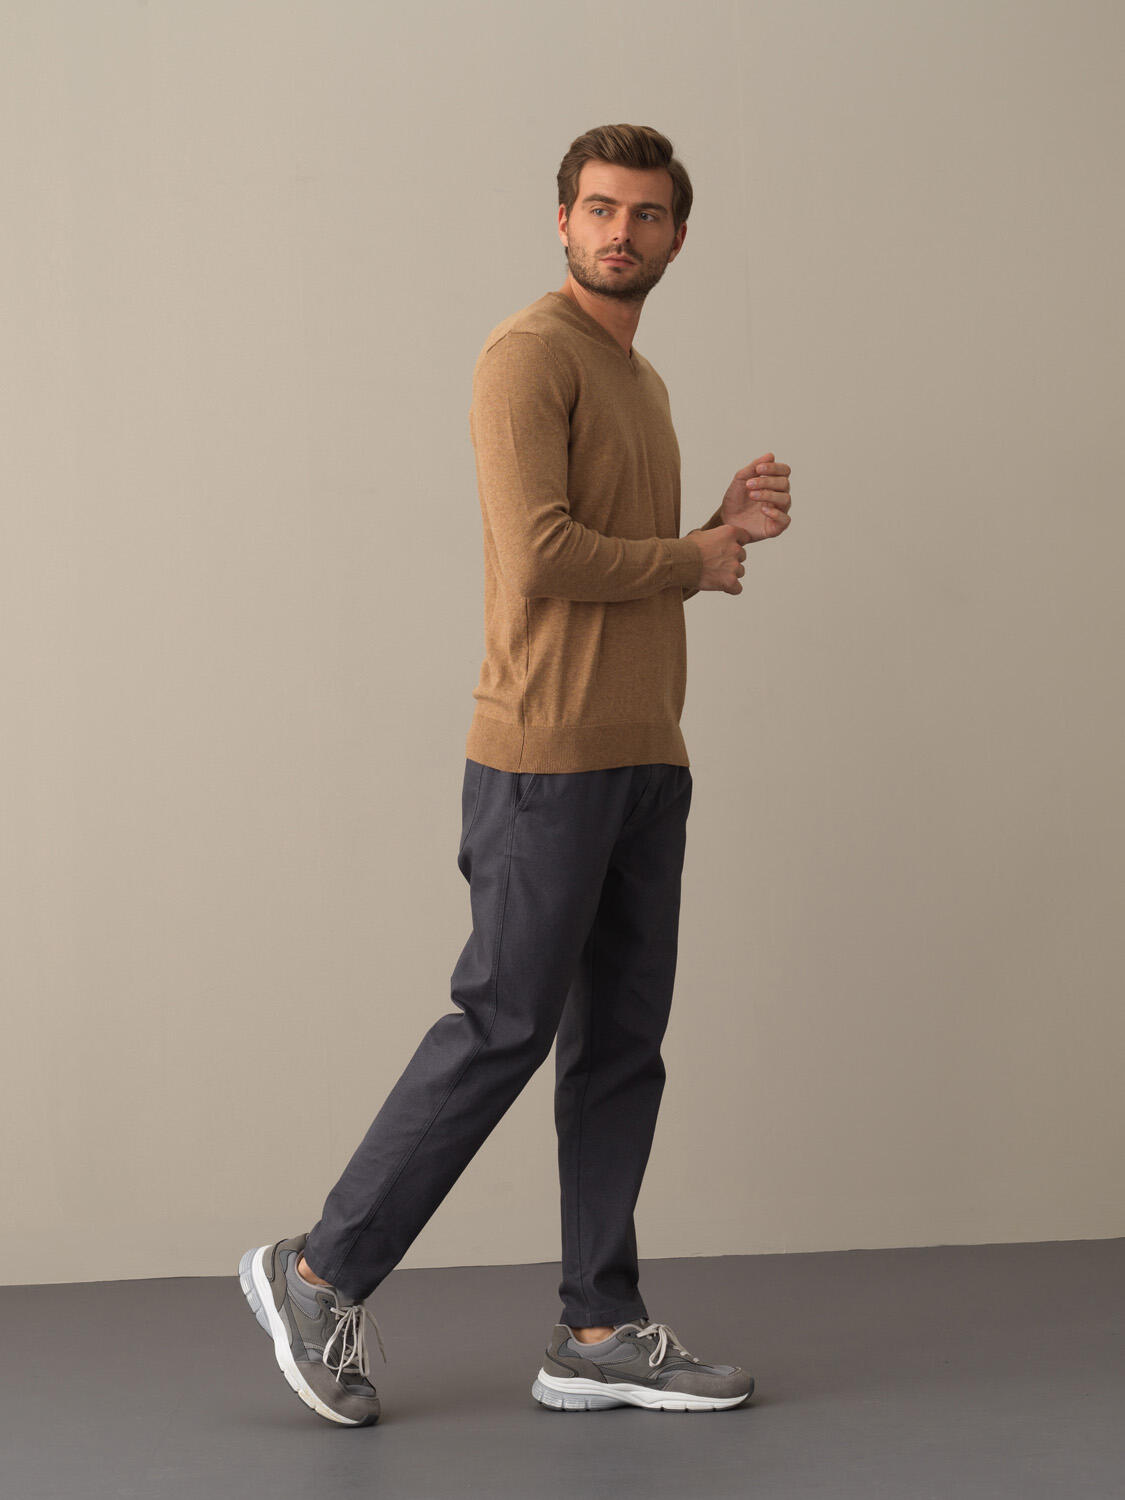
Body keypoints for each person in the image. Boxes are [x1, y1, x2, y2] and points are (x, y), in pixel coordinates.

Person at [239, 122, 793, 1427]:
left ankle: (597, 1328)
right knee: (503, 1023)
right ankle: (316, 1273)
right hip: (545, 759)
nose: (620, 231)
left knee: (621, 1051)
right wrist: (693, 556)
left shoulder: (640, 382)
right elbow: (541, 554)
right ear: (561, 221)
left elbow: (617, 566)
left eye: (644, 214)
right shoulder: (526, 356)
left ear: (676, 236)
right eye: (598, 208)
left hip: (644, 756)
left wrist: (708, 530)